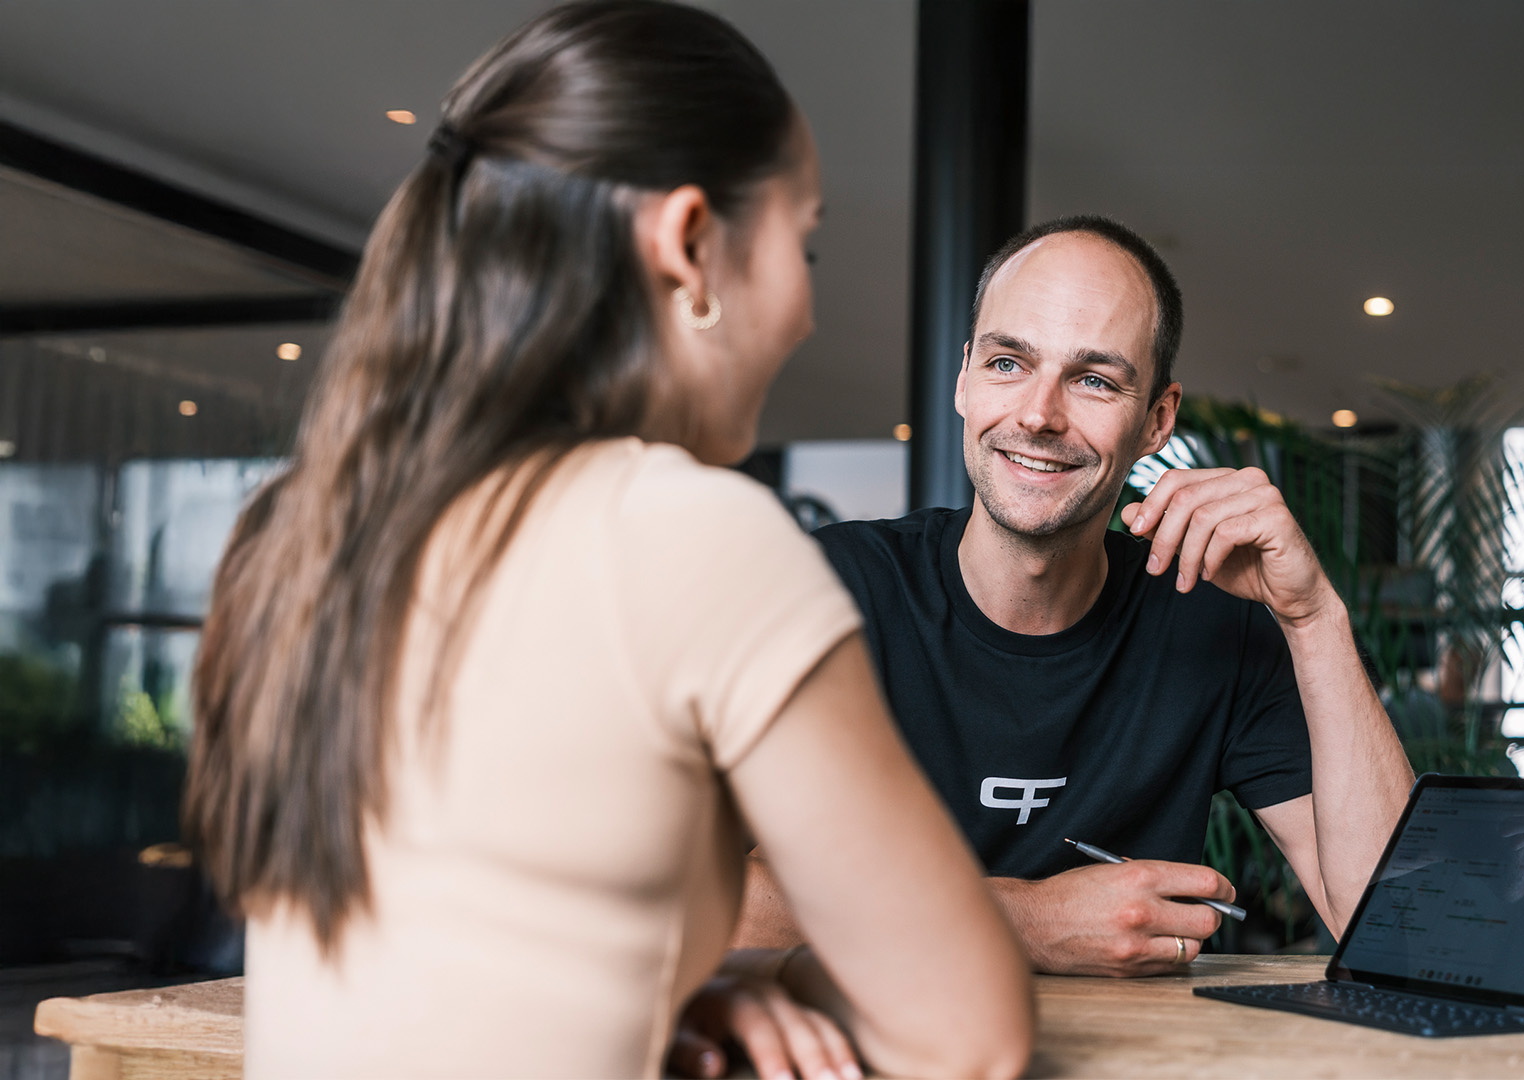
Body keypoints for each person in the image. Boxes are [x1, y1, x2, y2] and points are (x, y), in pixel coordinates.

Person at [180, 4, 1031, 1077]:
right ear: (687, 245)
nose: (810, 307)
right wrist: (783, 978)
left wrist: (671, 989)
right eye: (800, 242)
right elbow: (969, 1033)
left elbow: (463, 975)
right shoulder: (684, 532)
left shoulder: (306, 531)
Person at [734, 215, 1415, 976]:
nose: (1038, 414)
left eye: (1094, 380)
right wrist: (1024, 920)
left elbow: (1399, 927)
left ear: (1157, 418)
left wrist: (1313, 616)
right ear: (964, 379)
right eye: (1007, 363)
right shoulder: (820, 587)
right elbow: (678, 892)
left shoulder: (1217, 623)